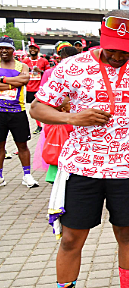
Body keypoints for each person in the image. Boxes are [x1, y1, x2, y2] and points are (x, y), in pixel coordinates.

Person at [30, 11, 129, 288]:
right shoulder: (72, 67)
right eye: (111, 46)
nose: (116, 54)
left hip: (128, 169)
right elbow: (37, 107)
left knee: (126, 234)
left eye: (124, 49)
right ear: (101, 37)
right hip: (81, 168)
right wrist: (73, 117)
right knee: (72, 238)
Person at [37, 45, 81, 184]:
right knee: (58, 145)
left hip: (71, 118)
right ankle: (58, 178)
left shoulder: (81, 74)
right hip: (61, 118)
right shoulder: (52, 73)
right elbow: (43, 99)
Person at [0, 36, 40, 187]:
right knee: (0, 145)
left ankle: (27, 175)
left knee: (22, 145)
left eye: (7, 48)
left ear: (12, 50)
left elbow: (24, 81)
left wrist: (2, 80)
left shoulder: (22, 66)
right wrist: (13, 83)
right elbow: (19, 82)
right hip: (0, 112)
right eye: (1, 48)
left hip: (18, 110)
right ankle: (0, 176)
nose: (3, 51)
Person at [23, 41, 50, 135]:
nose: (32, 50)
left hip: (41, 88)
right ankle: (39, 126)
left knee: (43, 107)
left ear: (38, 50)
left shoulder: (44, 61)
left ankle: (47, 124)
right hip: (30, 88)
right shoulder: (25, 61)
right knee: (32, 107)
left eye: (34, 48)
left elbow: (49, 74)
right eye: (31, 48)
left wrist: (40, 71)